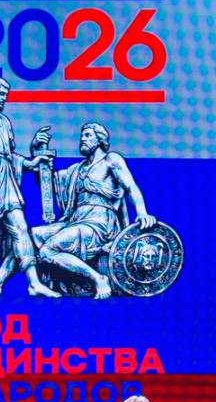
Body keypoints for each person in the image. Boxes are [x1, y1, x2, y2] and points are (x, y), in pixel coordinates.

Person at [33, 122, 157, 299]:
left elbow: (131, 187)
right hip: (76, 219)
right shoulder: (77, 169)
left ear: (100, 139)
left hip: (99, 222)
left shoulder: (110, 160)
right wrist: (38, 154)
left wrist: (142, 212)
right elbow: (49, 185)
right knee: (34, 235)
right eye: (81, 135)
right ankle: (43, 284)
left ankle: (98, 278)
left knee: (47, 251)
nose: (82, 139)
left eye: (88, 135)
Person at [0, 77, 59, 297]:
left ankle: (33, 283)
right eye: (1, 94)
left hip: (5, 183)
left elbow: (10, 157)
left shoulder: (4, 122)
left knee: (21, 229)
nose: (4, 99)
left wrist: (31, 162)